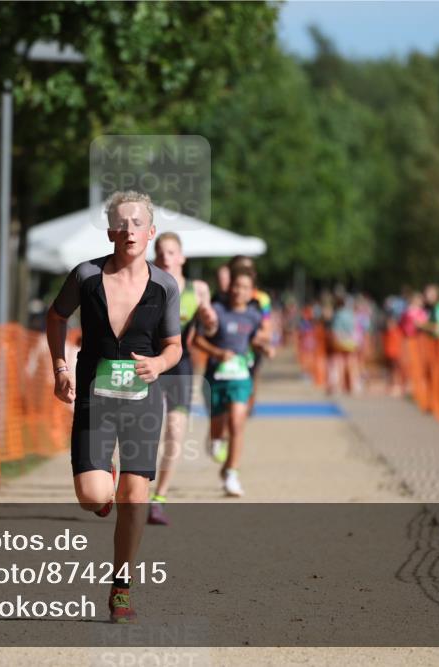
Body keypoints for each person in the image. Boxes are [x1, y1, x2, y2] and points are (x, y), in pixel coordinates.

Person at [46, 190, 181, 623]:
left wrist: (159, 363)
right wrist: (61, 368)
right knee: (92, 495)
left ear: (150, 232)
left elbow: (174, 346)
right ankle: (106, 493)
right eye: (121, 224)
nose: (129, 231)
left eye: (137, 223)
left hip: (143, 402)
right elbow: (55, 317)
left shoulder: (165, 285)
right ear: (110, 232)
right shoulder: (85, 276)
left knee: (135, 498)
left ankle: (121, 587)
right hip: (94, 398)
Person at [149, 232, 217, 526]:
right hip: (146, 362)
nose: (166, 257)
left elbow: (209, 329)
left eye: (172, 252)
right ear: (154, 256)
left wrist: (210, 320)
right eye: (161, 252)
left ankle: (158, 499)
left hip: (179, 366)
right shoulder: (144, 283)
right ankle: (123, 482)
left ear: (182, 257)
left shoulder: (198, 288)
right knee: (138, 432)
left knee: (175, 433)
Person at [196, 267, 270, 497]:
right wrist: (217, 352)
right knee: (218, 428)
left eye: (245, 288)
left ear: (252, 292)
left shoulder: (254, 315)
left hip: (240, 377)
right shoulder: (216, 311)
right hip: (216, 377)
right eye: (236, 286)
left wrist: (265, 346)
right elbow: (197, 339)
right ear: (230, 288)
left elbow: (260, 338)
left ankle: (231, 474)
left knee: (238, 423)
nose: (240, 291)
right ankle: (216, 438)